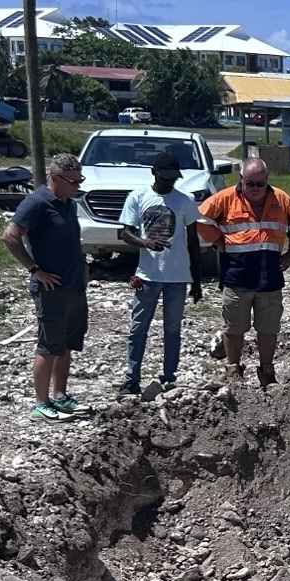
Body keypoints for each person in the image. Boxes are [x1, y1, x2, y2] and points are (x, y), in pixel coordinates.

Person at [194, 156, 290, 388]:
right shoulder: (225, 198)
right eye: (249, 183)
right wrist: (219, 243)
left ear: (267, 180)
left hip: (269, 276)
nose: (254, 189)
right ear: (241, 179)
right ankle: (233, 369)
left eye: (259, 184)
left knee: (269, 327)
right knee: (234, 327)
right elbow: (200, 219)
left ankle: (267, 371)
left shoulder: (281, 199)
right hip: (237, 275)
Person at [2, 152, 92, 421]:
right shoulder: (37, 203)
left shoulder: (68, 203)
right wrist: (35, 270)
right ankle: (41, 403)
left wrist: (83, 266)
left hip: (74, 284)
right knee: (49, 344)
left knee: (65, 343)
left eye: (80, 181)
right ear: (55, 178)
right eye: (74, 182)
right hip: (51, 288)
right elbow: (9, 236)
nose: (78, 187)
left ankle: (60, 395)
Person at [115, 150, 205, 398]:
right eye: (165, 177)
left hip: (177, 277)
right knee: (138, 328)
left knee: (172, 329)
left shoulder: (184, 200)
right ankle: (131, 378)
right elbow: (125, 233)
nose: (169, 181)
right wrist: (145, 243)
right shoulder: (138, 197)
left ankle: (168, 378)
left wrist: (196, 281)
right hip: (147, 275)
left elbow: (193, 241)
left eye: (173, 177)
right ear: (153, 173)